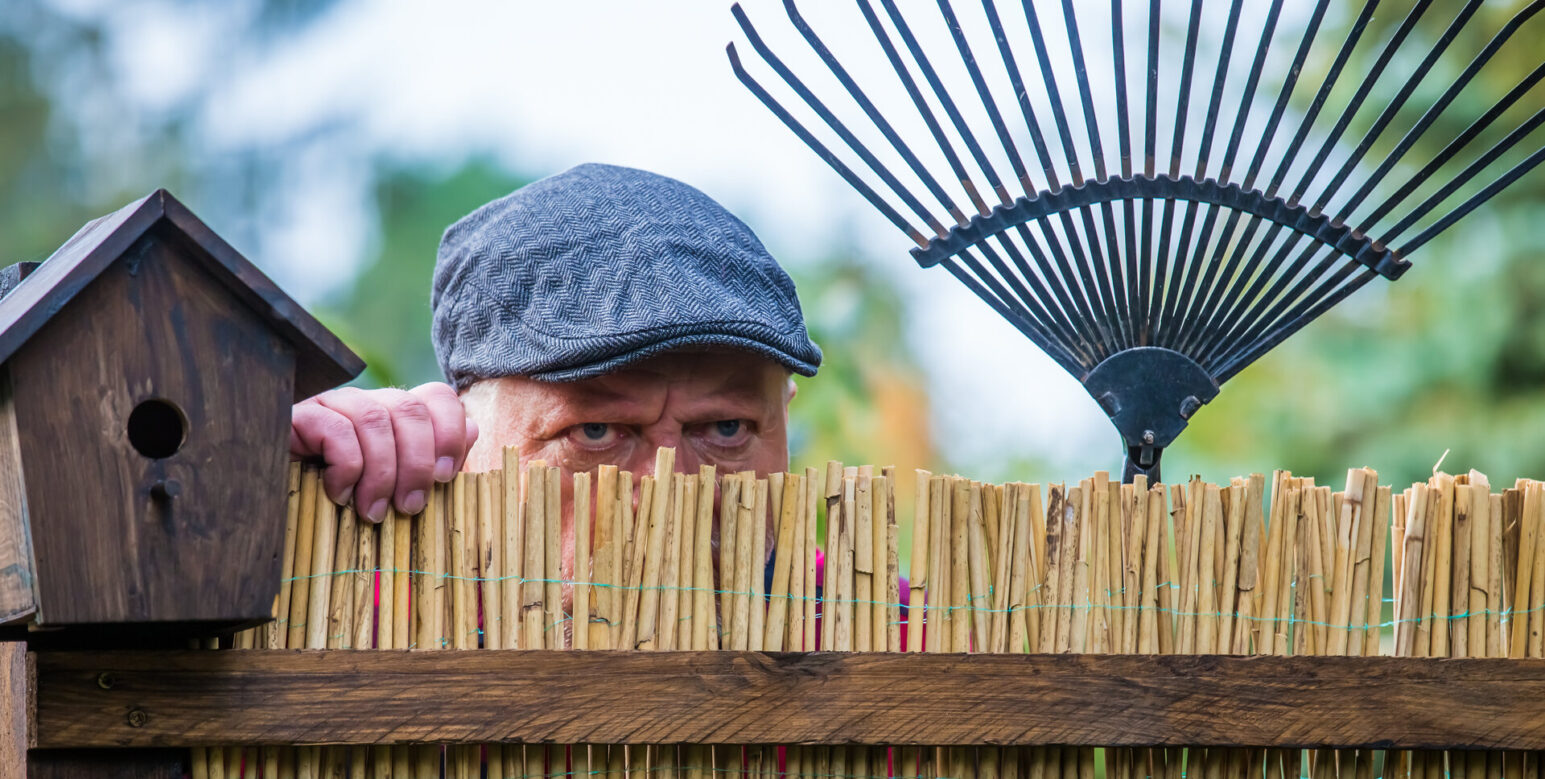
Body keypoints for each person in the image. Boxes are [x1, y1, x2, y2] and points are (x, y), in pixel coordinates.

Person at [290, 163, 823, 568]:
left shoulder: (886, 632)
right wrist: (265, 485)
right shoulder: (353, 613)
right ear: (463, 437)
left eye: (726, 429)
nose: (669, 502)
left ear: (785, 418)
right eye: (594, 433)